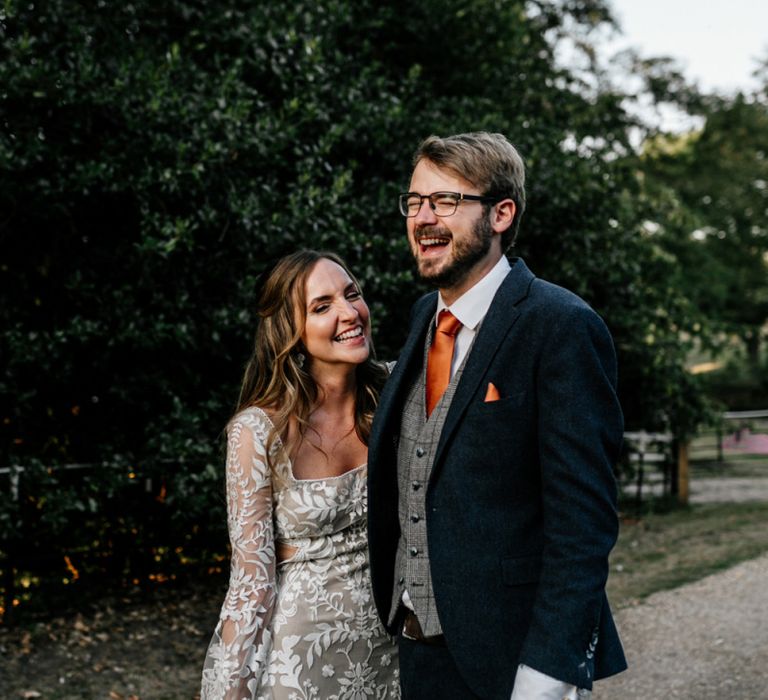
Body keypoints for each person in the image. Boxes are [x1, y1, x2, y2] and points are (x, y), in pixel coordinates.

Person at [366, 132, 627, 699]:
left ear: (502, 213)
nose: (423, 218)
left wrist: (549, 672)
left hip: (515, 662)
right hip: (419, 646)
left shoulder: (560, 325)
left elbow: (583, 523)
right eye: (414, 201)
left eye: (447, 201)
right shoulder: (421, 318)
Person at [201, 250, 400, 700]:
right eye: (322, 306)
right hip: (302, 663)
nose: (350, 313)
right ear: (289, 330)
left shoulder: (396, 392)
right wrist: (229, 690)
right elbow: (250, 584)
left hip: (395, 654)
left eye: (352, 294)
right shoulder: (257, 433)